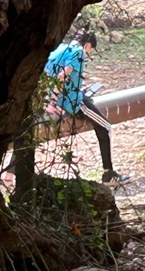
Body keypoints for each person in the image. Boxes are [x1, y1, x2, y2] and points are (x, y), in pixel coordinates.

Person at [45, 32, 126, 182]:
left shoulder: (62, 48)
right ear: (87, 45)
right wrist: (53, 102)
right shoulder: (78, 53)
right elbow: (62, 76)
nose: (88, 54)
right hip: (72, 102)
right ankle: (108, 175)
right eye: (90, 51)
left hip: (62, 97)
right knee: (106, 127)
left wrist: (49, 98)